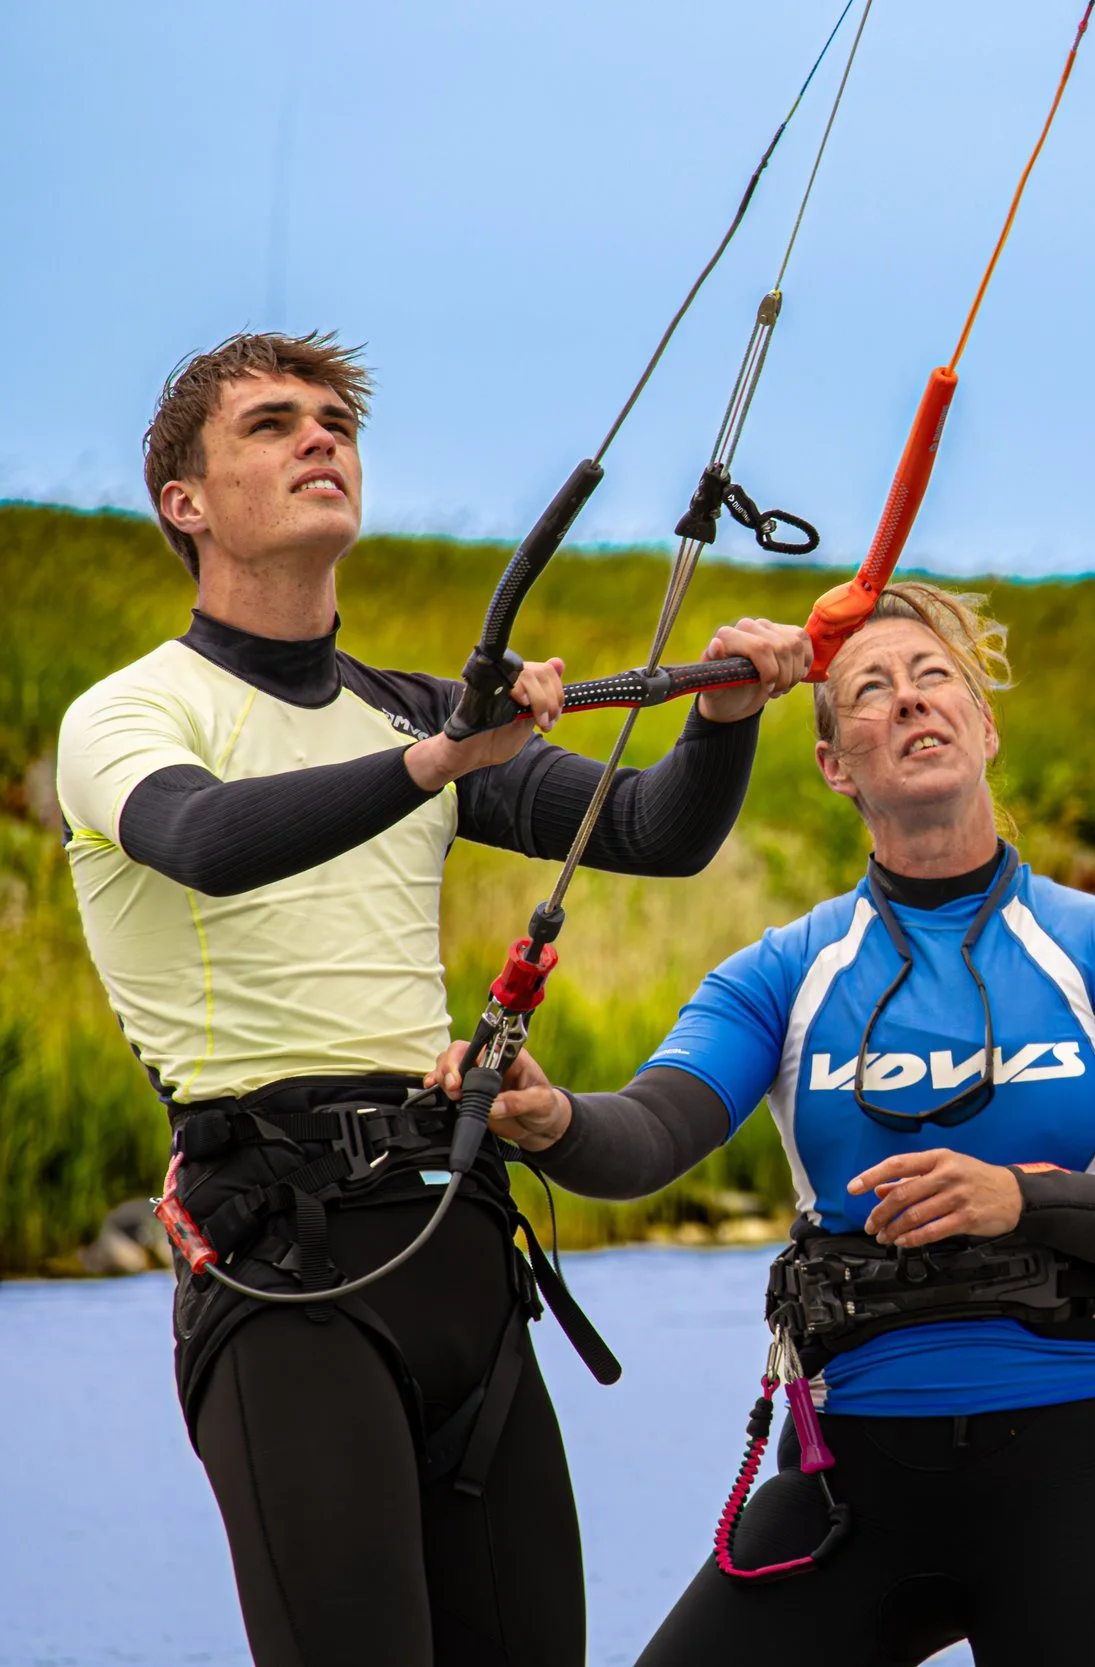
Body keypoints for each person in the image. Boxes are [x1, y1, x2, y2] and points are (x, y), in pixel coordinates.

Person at [54, 330, 814, 1667]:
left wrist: (726, 715)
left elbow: (653, 826)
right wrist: (436, 758)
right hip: (284, 1269)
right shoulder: (131, 712)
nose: (320, 437)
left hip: (455, 1243)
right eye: (273, 423)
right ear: (183, 500)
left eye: (337, 418)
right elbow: (211, 842)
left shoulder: (405, 711)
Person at [440, 582, 1095, 1666]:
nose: (912, 702)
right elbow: (648, 1134)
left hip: (1079, 1466)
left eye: (935, 679)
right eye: (871, 690)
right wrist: (546, 1119)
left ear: (984, 725)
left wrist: (1022, 1195)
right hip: (850, 1483)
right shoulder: (786, 972)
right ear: (836, 764)